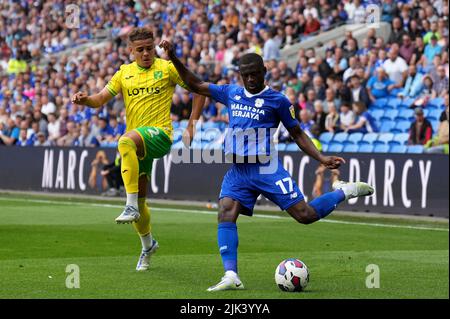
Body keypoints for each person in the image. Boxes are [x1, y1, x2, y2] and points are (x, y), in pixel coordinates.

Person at [160, 41, 374, 291]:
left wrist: (321, 158)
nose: (250, 78)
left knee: (305, 216)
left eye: (255, 73)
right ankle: (231, 275)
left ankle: (344, 191)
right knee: (225, 212)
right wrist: (174, 56)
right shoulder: (231, 92)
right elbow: (196, 84)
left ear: (264, 72)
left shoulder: (278, 101)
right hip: (239, 171)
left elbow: (297, 133)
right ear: (241, 75)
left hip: (266, 168)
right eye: (246, 75)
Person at [72, 27, 205, 271]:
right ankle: (147, 246)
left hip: (160, 135)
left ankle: (129, 204)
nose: (146, 53)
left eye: (149, 48)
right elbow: (100, 99)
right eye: (140, 49)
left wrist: (192, 127)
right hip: (138, 145)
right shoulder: (124, 73)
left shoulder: (167, 69)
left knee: (124, 142)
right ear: (131, 51)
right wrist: (85, 100)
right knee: (143, 202)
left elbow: (200, 90)